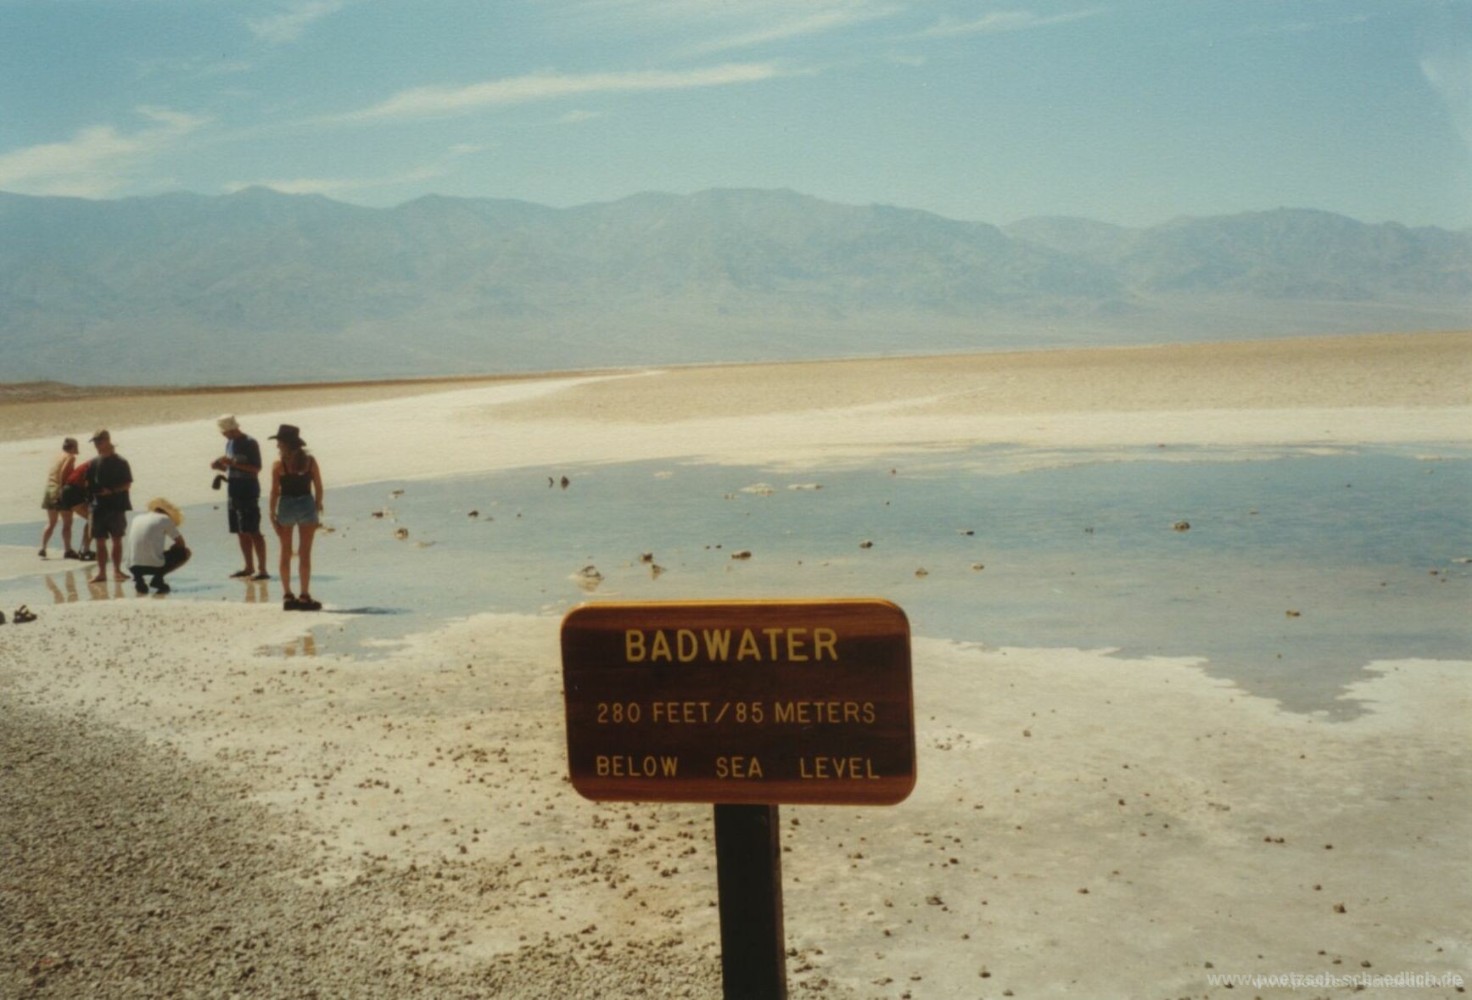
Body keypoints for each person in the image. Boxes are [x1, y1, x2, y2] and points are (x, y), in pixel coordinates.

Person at [268, 424, 325, 611]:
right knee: (305, 553)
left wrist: (271, 513)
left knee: (285, 552)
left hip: (286, 505)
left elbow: (275, 492)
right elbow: (318, 487)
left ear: (285, 444)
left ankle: (287, 595)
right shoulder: (309, 461)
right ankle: (304, 596)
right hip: (306, 503)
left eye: (279, 442)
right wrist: (317, 507)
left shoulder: (278, 465)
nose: (277, 445)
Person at [212, 415, 269, 580]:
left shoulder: (250, 442)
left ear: (233, 429)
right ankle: (249, 567)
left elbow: (256, 469)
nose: (223, 435)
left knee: (253, 530)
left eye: (225, 432)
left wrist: (232, 463)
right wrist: (219, 466)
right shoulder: (230, 443)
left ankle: (262, 570)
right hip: (233, 489)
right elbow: (230, 468)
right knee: (240, 530)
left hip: (248, 490)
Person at [86, 429, 132, 584]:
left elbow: (127, 484)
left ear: (107, 441)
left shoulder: (121, 462)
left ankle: (117, 571)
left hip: (116, 506)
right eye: (95, 442)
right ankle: (101, 573)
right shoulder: (93, 462)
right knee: (99, 541)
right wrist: (89, 502)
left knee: (116, 539)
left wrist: (111, 491)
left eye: (99, 441)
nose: (97, 445)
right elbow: (88, 485)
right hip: (98, 507)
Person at [125, 498, 191, 594]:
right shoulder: (165, 519)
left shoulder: (137, 518)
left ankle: (139, 581)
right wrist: (172, 548)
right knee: (185, 552)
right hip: (154, 566)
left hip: (133, 567)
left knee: (141, 553)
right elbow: (181, 543)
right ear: (167, 513)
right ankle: (158, 579)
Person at [39, 437, 83, 559]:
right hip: (59, 490)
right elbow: (63, 472)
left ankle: (43, 548)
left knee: (51, 523)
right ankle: (67, 550)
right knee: (67, 523)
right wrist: (62, 488)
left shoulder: (57, 456)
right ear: (73, 447)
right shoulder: (70, 457)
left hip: (49, 490)